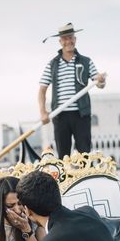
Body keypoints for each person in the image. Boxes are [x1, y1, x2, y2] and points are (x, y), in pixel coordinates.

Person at [39, 22, 106, 159]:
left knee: (85, 153)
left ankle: (87, 178)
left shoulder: (86, 62)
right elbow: (42, 91)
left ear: (75, 39)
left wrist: (101, 80)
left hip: (81, 115)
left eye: (70, 37)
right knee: (63, 155)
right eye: (65, 39)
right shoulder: (52, 65)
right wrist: (43, 112)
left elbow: (98, 83)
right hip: (60, 116)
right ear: (60, 42)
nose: (68, 41)